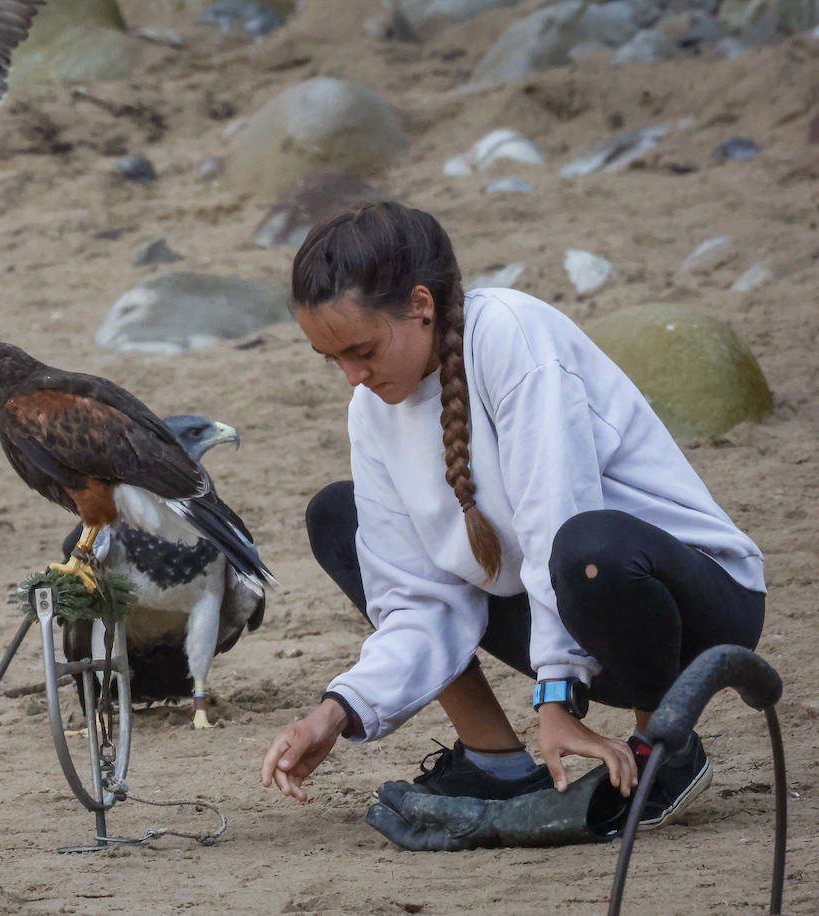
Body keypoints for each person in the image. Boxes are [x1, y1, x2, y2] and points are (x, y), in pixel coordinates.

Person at [260, 202, 765, 831]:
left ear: (422, 304)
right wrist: (335, 710)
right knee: (337, 515)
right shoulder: (371, 411)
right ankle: (493, 761)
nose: (352, 378)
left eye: (361, 350)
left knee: (589, 546)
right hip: (570, 607)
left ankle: (661, 745)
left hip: (686, 609)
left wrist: (557, 698)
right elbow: (419, 602)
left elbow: (560, 515)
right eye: (330, 358)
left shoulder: (512, 334)